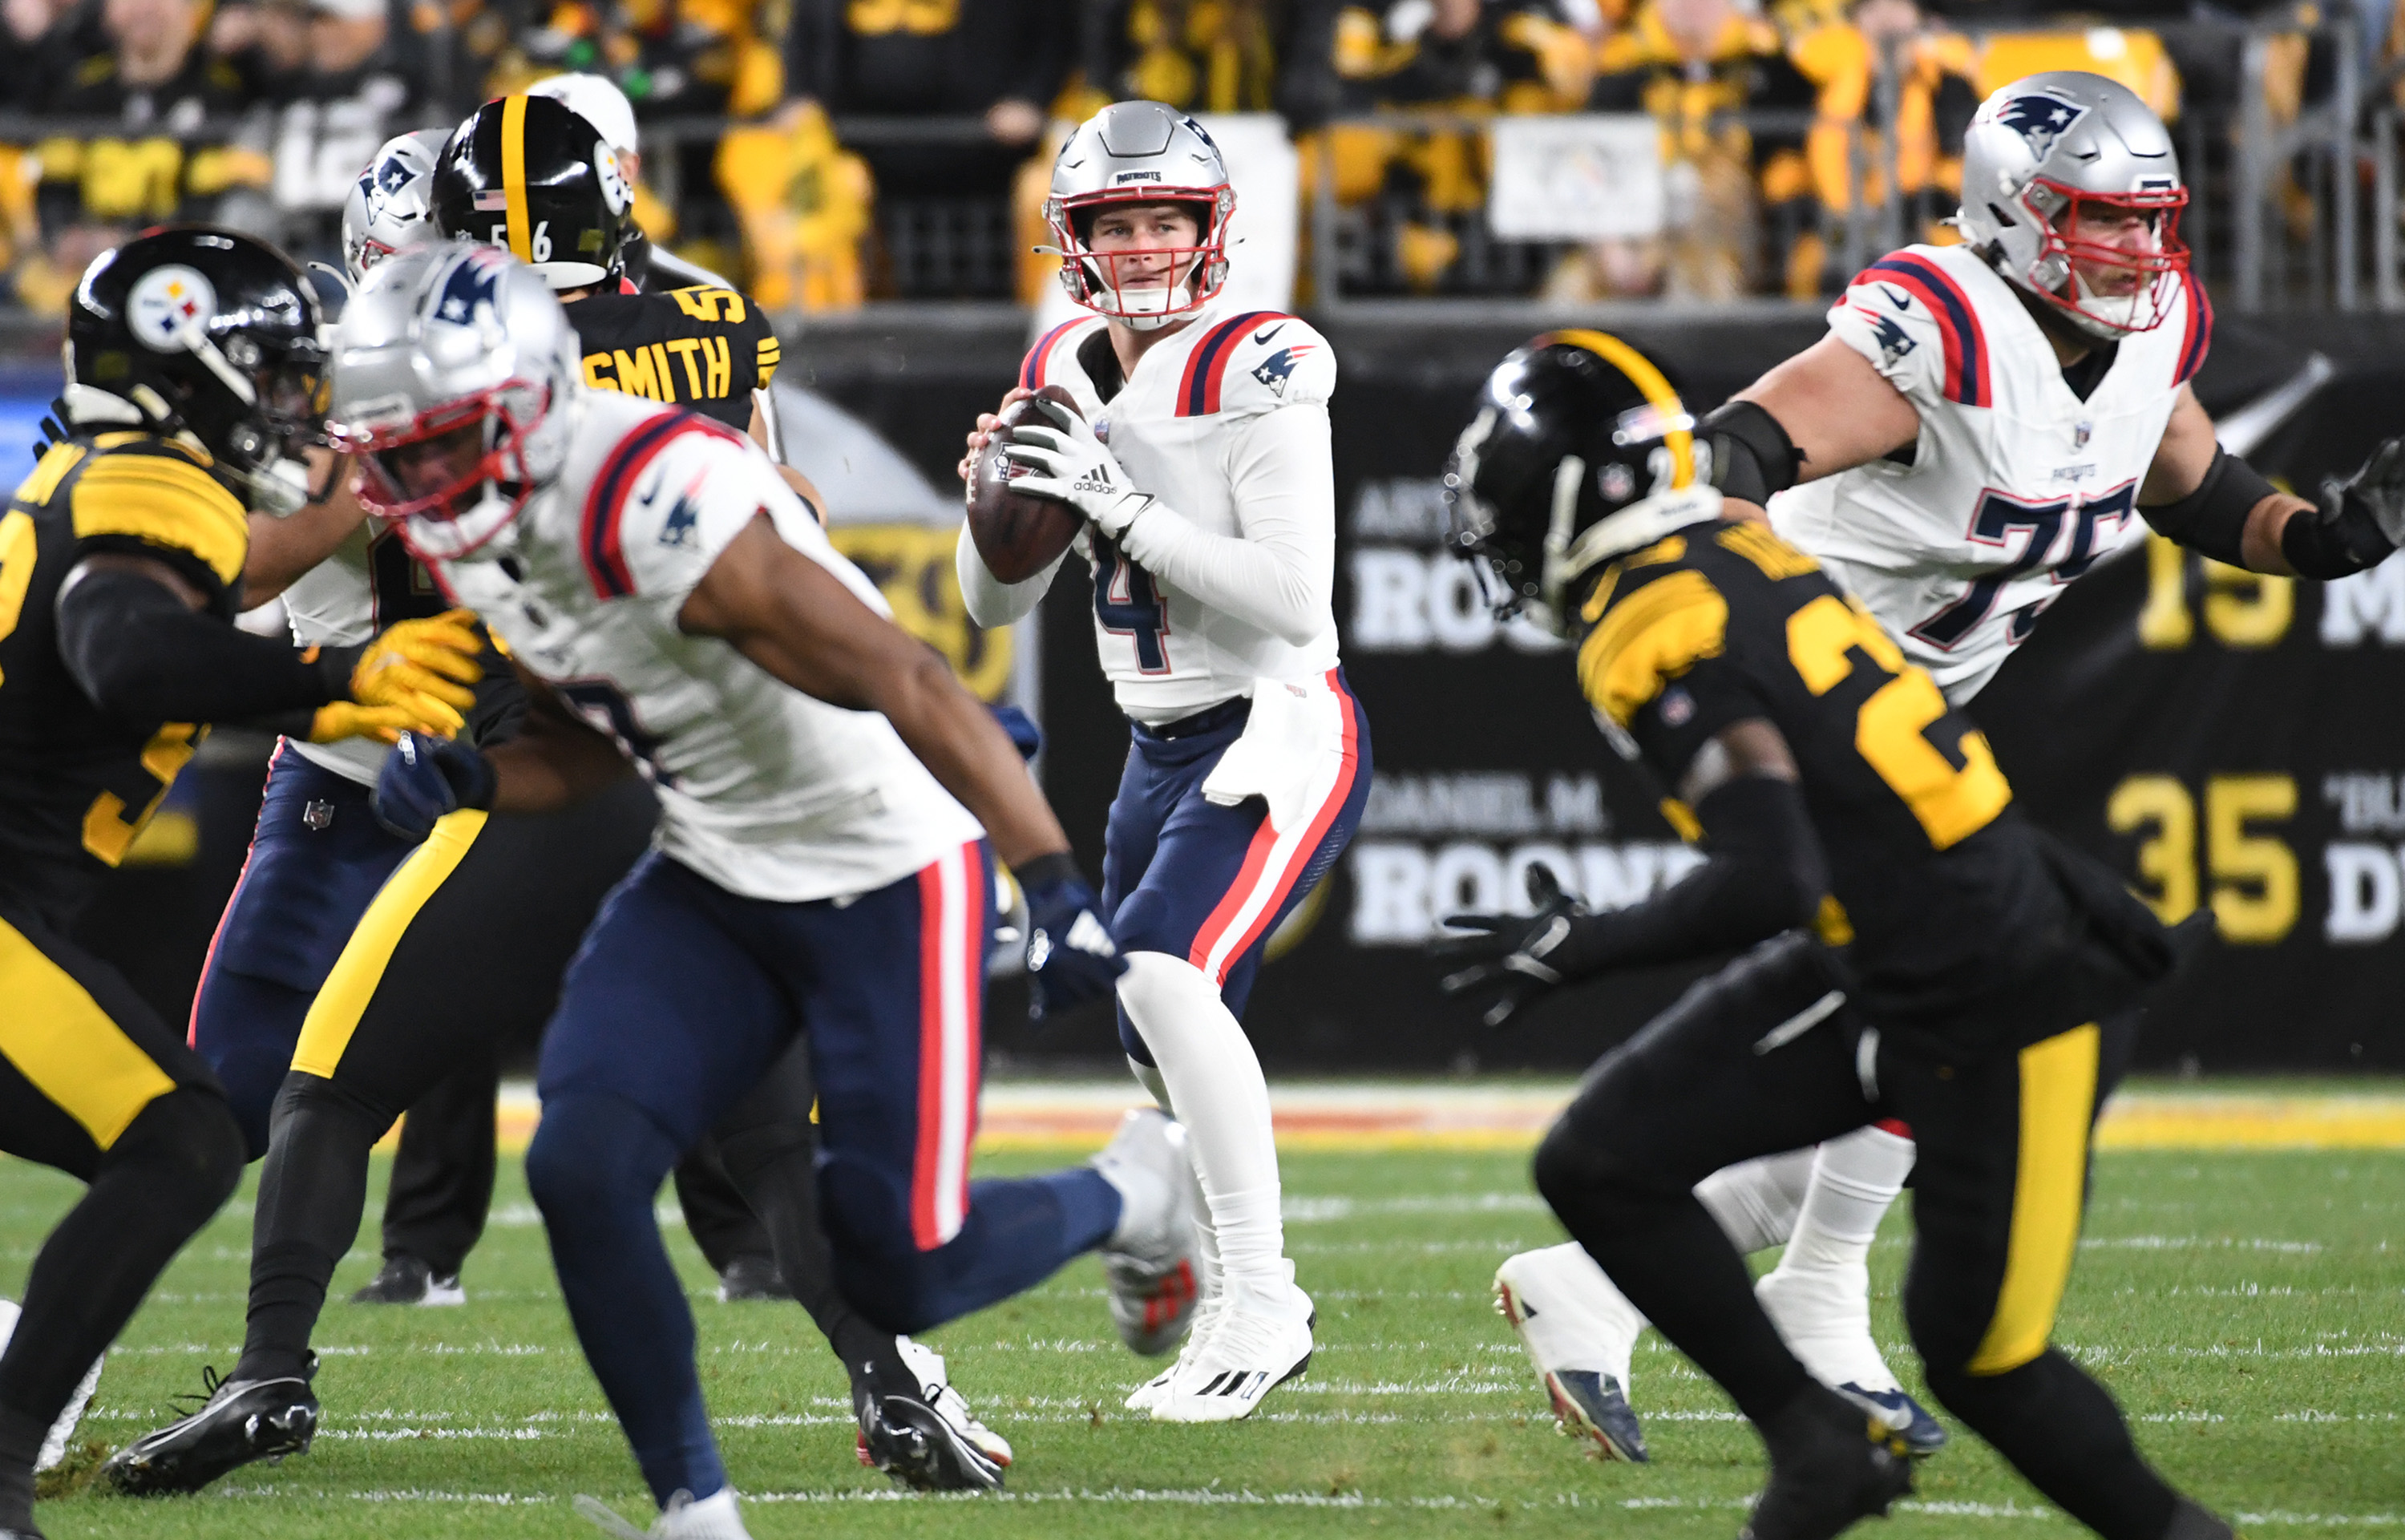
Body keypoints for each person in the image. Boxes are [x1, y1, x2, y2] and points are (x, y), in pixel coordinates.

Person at [1479, 69, 2405, 1465]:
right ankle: (1688, 1286)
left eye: (2150, 221)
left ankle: (1712, 1286)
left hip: (1920, 719)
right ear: (2018, 214)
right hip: (1818, 706)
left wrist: (2319, 538)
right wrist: (1744, 641)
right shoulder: (1943, 330)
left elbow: (2191, 480)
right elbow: (1732, 448)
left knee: (1943, 1018)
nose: (2136, 253)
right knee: (1973, 994)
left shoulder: (2149, 329)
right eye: (2100, 222)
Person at [110, 109, 1012, 1500]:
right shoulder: (703, 330)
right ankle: (896, 1383)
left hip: (537, 762)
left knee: (327, 1085)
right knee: (768, 1132)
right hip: (680, 778)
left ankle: (270, 1372)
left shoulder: (454, 375)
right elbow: (785, 503)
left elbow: (290, 551)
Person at [361, 240, 1186, 1534]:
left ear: (521, 399)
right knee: (580, 1163)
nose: (413, 479)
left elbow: (912, 677)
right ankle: (699, 1515)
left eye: (434, 442)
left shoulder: (648, 489)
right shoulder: (481, 522)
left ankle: (1136, 1189)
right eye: (393, 452)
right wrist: (474, 777)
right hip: (716, 865)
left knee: (901, 1271)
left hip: (884, 862)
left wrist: (1055, 886)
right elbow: (597, 734)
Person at [1443, 328, 2247, 1540]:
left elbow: (1770, 871)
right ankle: (1820, 1441)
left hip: (2009, 985)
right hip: (1900, 944)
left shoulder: (1648, 622)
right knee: (1597, 1160)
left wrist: (1583, 943)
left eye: (1505, 510)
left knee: (1985, 1361)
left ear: (1566, 505)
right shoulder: (1731, 539)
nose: (1499, 541)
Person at [0, 224, 475, 1540]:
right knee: (182, 1136)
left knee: (170, 1130)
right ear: (184, 364)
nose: (292, 403)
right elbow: (128, 649)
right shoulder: (154, 483)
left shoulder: (123, 470)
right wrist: (332, 686)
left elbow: (228, 577)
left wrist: (351, 509)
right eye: (270, 374)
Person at [956, 99, 1371, 1423]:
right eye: (1115, 222)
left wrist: (1115, 500)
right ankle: (1185, 1249)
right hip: (1153, 746)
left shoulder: (1260, 356)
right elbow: (990, 607)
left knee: (1163, 970)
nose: (1140, 246)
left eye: (1163, 220)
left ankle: (1263, 1294)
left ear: (1212, 228)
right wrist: (995, 507)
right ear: (1072, 237)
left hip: (1273, 717)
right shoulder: (1065, 362)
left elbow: (1293, 600)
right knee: (1154, 1035)